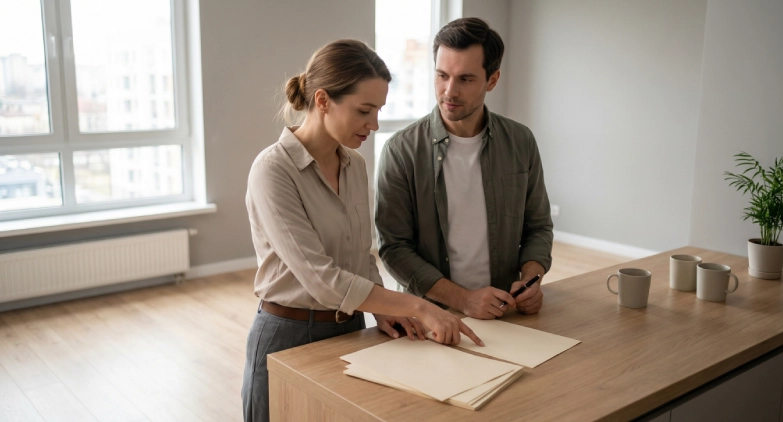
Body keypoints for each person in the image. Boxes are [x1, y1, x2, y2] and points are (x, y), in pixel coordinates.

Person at [242, 39, 482, 422]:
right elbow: (321, 279)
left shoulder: (353, 164)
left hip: (351, 328)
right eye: (364, 111)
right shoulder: (272, 170)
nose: (374, 125)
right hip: (287, 335)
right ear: (322, 101)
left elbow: (360, 254)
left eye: (378, 111)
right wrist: (418, 306)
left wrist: (383, 311)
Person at [376, 18, 554, 321]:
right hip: (431, 317)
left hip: (505, 312)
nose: (449, 91)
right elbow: (394, 249)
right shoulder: (401, 151)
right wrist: (463, 300)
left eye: (466, 79)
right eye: (442, 75)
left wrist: (531, 280)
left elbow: (537, 227)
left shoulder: (521, 141)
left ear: (492, 80)